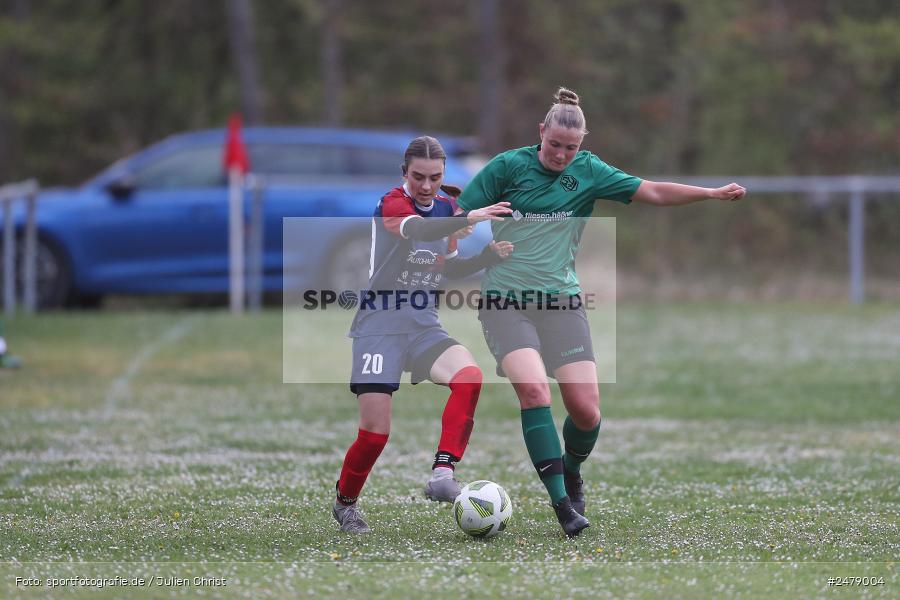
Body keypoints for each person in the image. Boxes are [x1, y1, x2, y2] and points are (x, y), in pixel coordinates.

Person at [456, 87, 746, 537]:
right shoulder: (508, 166)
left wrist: (709, 193)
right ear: (541, 133)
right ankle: (562, 505)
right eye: (554, 145)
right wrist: (465, 223)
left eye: (571, 148)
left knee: (587, 412)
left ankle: (571, 470)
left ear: (582, 144)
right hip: (505, 302)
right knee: (535, 393)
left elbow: (652, 191)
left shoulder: (589, 171)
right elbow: (456, 211)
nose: (561, 154)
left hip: (561, 302)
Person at [332, 135, 513, 533]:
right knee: (375, 434)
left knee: (469, 378)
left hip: (422, 322)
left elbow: (446, 267)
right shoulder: (392, 204)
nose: (427, 186)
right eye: (418, 177)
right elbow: (418, 231)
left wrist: (485, 256)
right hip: (379, 325)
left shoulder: (448, 207)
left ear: (443, 174)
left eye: (435, 177)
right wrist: (469, 218)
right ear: (404, 173)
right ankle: (345, 504)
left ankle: (442, 474)